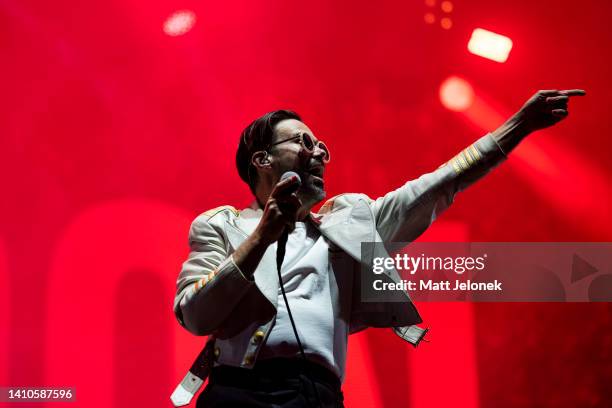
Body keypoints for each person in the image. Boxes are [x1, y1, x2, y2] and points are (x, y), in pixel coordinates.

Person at [170, 89, 585, 407]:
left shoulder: (350, 223)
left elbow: (440, 184)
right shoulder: (219, 225)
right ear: (262, 160)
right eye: (303, 143)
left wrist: (517, 126)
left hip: (319, 396)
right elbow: (194, 312)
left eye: (321, 147)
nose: (319, 154)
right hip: (239, 393)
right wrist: (262, 235)